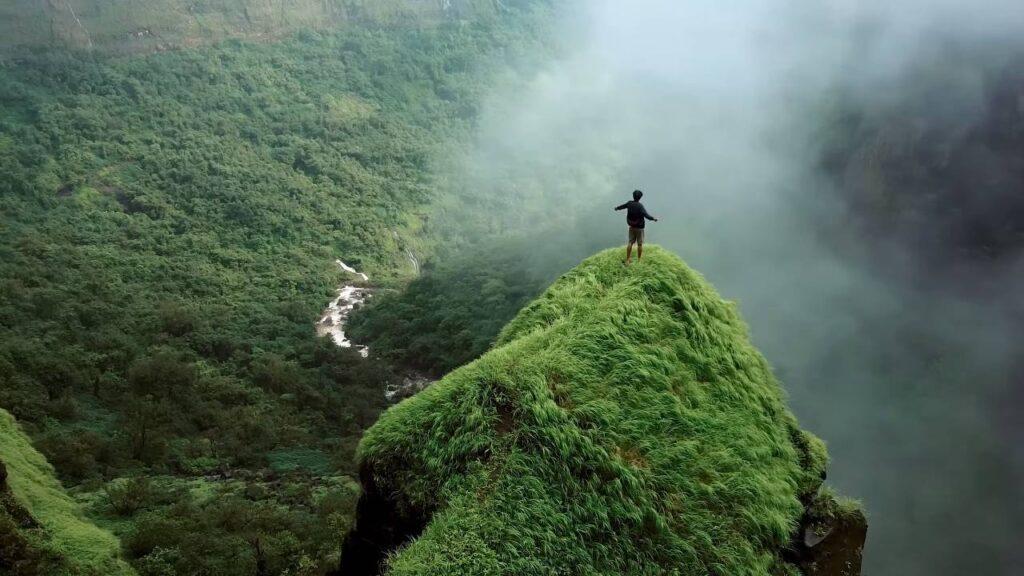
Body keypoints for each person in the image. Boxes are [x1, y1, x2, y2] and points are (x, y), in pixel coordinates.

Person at [614, 189, 658, 264]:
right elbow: (646, 215)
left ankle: (628, 259)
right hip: (640, 228)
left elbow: (622, 206)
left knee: (630, 242)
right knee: (639, 244)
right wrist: (653, 218)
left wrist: (617, 208)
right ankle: (639, 260)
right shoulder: (640, 206)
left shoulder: (629, 203)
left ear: (633, 196)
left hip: (631, 226)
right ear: (640, 197)